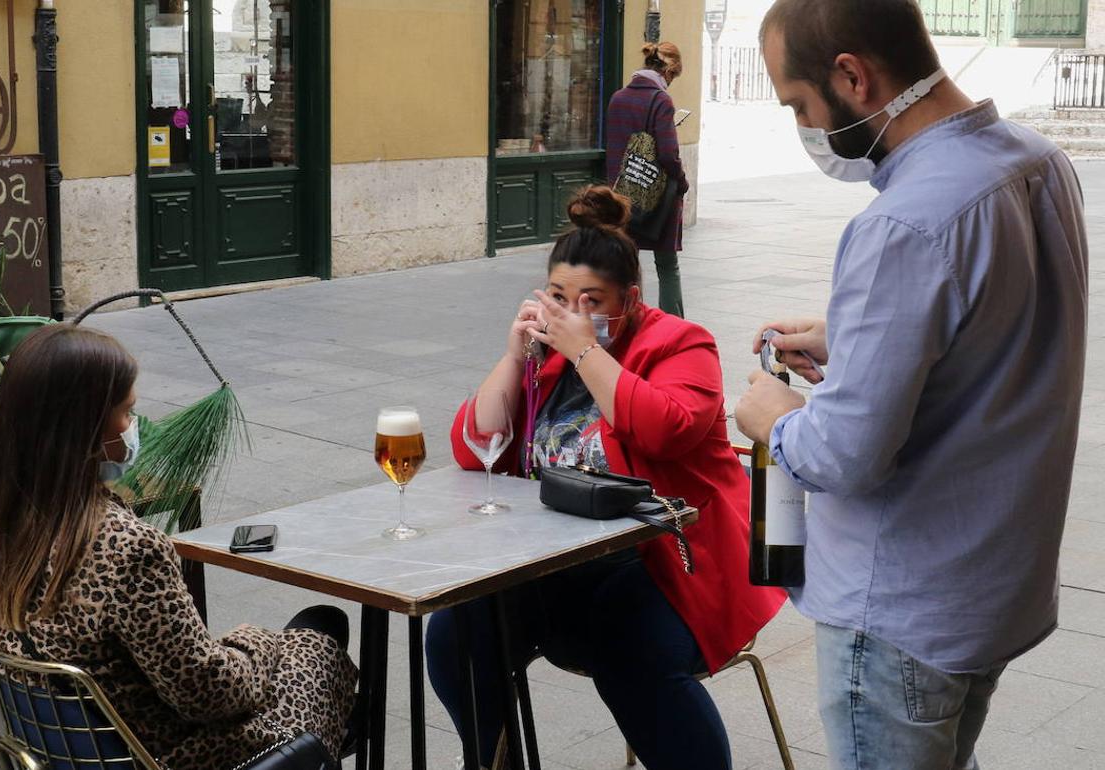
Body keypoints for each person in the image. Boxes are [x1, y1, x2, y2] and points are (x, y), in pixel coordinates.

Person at [734, 2, 1089, 768]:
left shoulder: (903, 222)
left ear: (853, 77)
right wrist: (853, 339)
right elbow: (1003, 320)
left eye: (800, 105)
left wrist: (775, 417)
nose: (805, 126)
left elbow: (843, 457)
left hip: (902, 610)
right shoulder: (1036, 160)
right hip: (993, 586)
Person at [426, 186, 786, 770]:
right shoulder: (545, 361)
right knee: (455, 634)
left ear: (631, 299)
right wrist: (515, 356)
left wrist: (588, 352)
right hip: (558, 560)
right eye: (560, 298)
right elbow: (479, 448)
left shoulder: (680, 342)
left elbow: (663, 430)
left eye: (591, 300)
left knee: (629, 654)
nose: (572, 313)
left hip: (671, 561)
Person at [0, 325, 358, 769]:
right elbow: (207, 694)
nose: (133, 427)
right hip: (173, 755)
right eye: (126, 412)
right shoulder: (126, 548)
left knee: (315, 628)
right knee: (323, 636)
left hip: (72, 752)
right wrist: (256, 642)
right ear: (85, 431)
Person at [605, 41, 689, 318]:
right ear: (669, 71)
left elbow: (617, 148)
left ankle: (623, 318)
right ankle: (674, 325)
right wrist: (682, 180)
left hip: (621, 195)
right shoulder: (660, 100)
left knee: (626, 262)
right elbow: (667, 153)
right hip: (657, 195)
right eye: (673, 78)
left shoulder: (618, 97)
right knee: (667, 266)